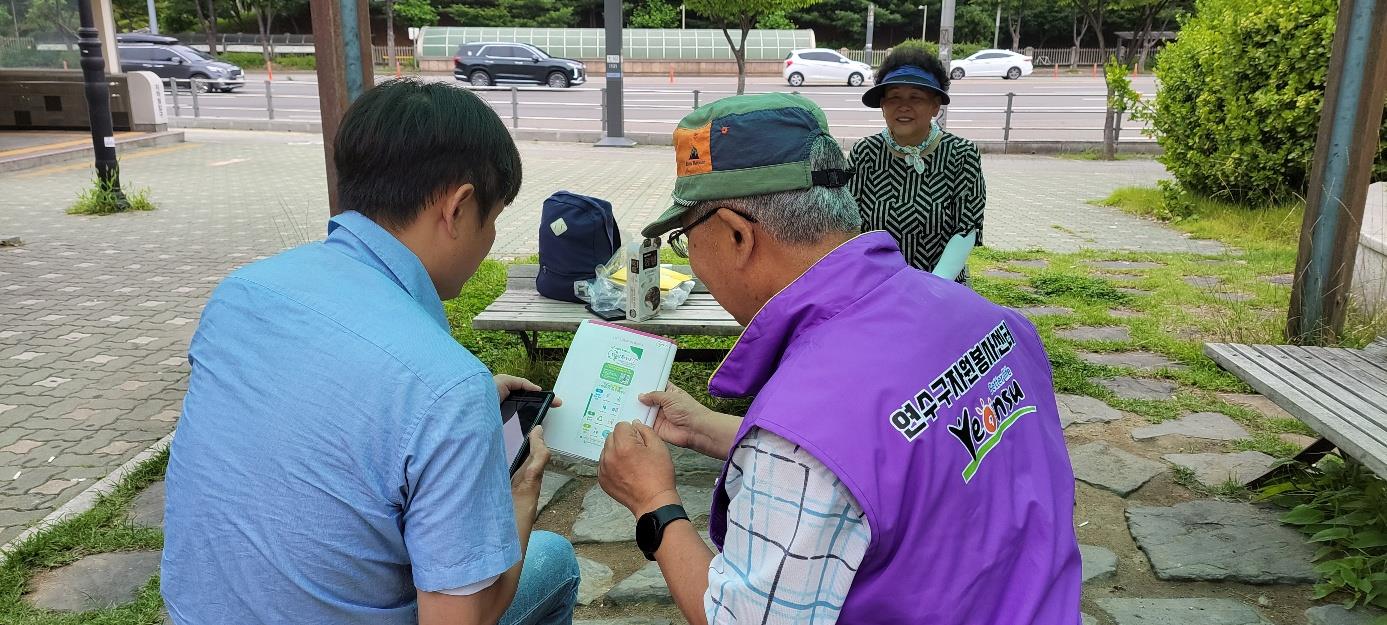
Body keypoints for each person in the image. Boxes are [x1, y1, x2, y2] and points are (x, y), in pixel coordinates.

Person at [596, 93, 1080, 625]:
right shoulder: (993, 321)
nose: (692, 261)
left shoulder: (802, 435)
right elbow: (895, 456)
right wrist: (709, 430)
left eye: (686, 240)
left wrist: (654, 503)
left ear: (737, 234)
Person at [161, 80, 579, 625]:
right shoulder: (446, 390)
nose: (492, 237)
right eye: (494, 218)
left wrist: (459, 406)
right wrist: (521, 494)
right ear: (458, 208)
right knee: (554, 559)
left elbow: (321, 404)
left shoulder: (243, 292)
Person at [849, 47, 986, 282]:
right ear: (883, 106)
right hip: (876, 285)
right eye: (894, 97)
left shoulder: (961, 153)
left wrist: (933, 286)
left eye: (916, 97)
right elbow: (848, 225)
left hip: (943, 288)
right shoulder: (865, 152)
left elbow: (966, 228)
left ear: (935, 106)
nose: (904, 106)